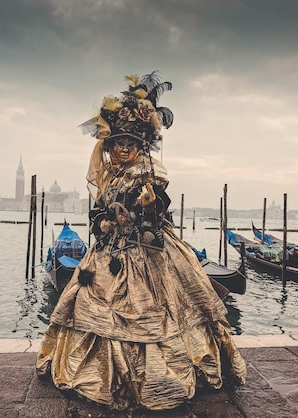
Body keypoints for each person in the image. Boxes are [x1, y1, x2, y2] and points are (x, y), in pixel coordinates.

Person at [36, 71, 246, 411]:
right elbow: (97, 216)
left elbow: (159, 214)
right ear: (109, 145)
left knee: (153, 313)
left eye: (129, 143)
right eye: (117, 143)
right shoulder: (110, 176)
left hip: (148, 255)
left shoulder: (151, 173)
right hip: (108, 253)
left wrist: (149, 206)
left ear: (140, 145)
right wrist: (103, 222)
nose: (122, 148)